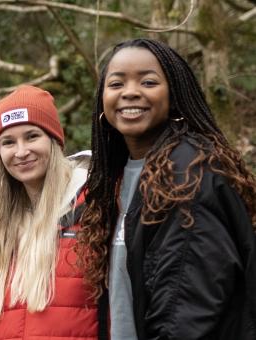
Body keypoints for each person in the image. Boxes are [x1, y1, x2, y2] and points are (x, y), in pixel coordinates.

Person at [78, 38, 256, 340]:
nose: (130, 92)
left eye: (148, 82)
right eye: (116, 84)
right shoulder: (120, 177)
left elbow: (185, 313)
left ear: (174, 95)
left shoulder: (188, 173)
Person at [0, 85, 103, 339]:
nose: (21, 152)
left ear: (54, 140)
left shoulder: (95, 205)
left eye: (32, 136)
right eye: (8, 142)